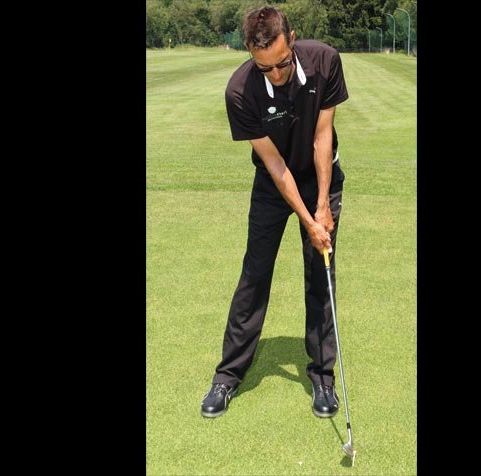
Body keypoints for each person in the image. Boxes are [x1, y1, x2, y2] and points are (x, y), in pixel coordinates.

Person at [201, 4, 349, 419]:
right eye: (264, 67)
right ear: (250, 54)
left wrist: (322, 205)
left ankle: (322, 376)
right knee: (255, 274)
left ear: (292, 39)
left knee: (320, 273)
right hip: (273, 184)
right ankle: (227, 376)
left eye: (282, 63)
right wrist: (306, 219)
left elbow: (322, 136)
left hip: (320, 175)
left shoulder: (324, 61)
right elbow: (276, 166)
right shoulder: (239, 91)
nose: (277, 75)